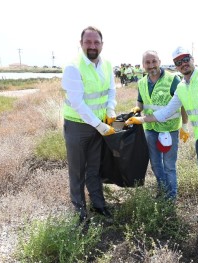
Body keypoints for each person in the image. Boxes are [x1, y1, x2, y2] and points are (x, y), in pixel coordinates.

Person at [126, 47, 198, 242]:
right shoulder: (181, 87)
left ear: (192, 59)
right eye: (178, 62)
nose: (183, 64)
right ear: (176, 65)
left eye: (185, 59)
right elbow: (167, 112)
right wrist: (142, 120)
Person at [61, 26, 117, 224]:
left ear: (102, 44)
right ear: (81, 43)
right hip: (78, 126)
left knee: (94, 167)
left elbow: (111, 90)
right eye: (88, 42)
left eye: (96, 42)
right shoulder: (73, 67)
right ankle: (79, 211)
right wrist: (99, 125)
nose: (92, 46)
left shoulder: (108, 64)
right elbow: (77, 103)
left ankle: (98, 204)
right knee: (77, 170)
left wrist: (110, 110)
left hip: (99, 123)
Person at [132, 50, 188, 200]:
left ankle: (171, 197)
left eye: (154, 61)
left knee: (169, 165)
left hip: (169, 130)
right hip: (150, 130)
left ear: (159, 62)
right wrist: (137, 109)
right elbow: (141, 102)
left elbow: (183, 104)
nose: (151, 65)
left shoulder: (173, 80)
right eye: (148, 62)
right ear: (143, 65)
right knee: (156, 165)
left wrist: (184, 126)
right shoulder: (141, 82)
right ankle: (163, 190)